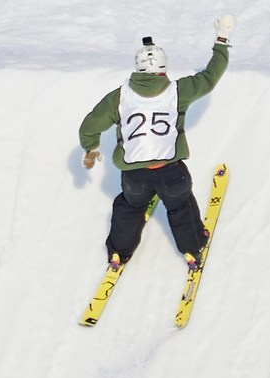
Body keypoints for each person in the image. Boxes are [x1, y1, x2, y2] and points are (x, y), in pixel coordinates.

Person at [79, 22, 232, 276]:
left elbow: (89, 126)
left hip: (134, 177)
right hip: (171, 172)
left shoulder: (119, 97)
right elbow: (210, 77)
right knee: (181, 206)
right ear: (164, 68)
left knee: (129, 207)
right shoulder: (178, 91)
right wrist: (222, 41)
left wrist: (91, 148)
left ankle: (118, 251)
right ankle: (193, 248)